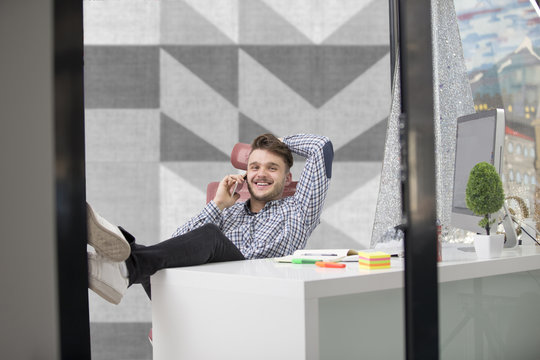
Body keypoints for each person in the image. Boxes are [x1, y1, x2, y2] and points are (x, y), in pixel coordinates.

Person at [88, 133, 333, 304]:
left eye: (272, 167)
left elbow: (321, 147)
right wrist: (217, 205)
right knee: (153, 255)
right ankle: (116, 264)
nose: (261, 173)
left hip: (256, 296)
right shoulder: (228, 213)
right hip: (204, 294)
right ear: (245, 175)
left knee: (209, 237)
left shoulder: (300, 209)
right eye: (254, 166)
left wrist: (278, 142)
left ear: (287, 179)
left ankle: (124, 267)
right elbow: (176, 243)